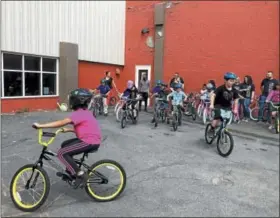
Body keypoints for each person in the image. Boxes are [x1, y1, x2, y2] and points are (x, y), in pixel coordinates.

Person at [32, 88, 101, 187]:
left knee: (61, 153)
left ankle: (80, 175)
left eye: (72, 99)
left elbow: (61, 122)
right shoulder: (84, 112)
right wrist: (69, 129)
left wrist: (41, 125)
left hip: (89, 141)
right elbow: (86, 129)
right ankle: (70, 169)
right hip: (90, 139)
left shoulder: (79, 113)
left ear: (76, 101)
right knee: (65, 145)